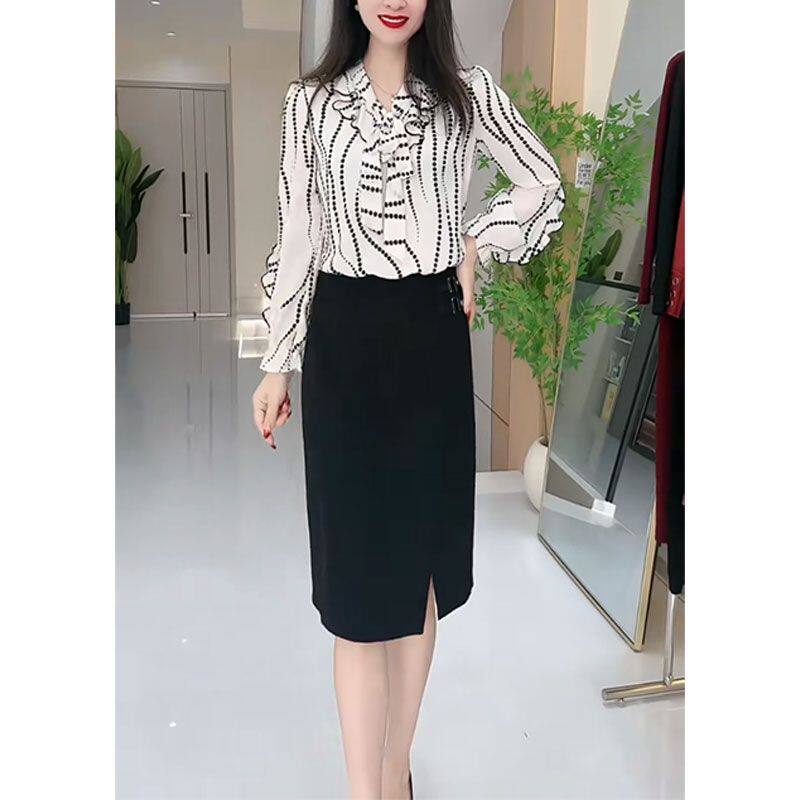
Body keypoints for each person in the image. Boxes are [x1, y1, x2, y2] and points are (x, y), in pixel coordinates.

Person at [251, 1, 565, 797]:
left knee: (419, 575)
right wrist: (277, 361)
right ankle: (367, 790)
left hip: (431, 341)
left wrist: (474, 241)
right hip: (345, 343)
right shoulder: (309, 103)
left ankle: (396, 770)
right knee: (356, 590)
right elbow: (298, 231)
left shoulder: (467, 92)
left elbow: (541, 181)